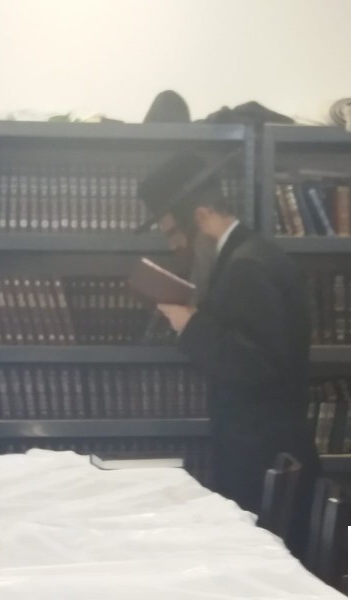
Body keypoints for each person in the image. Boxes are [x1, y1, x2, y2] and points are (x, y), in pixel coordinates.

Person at [136, 150, 320, 558]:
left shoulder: (246, 266)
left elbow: (258, 365)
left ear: (201, 215)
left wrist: (189, 323)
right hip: (262, 450)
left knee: (262, 571)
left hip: (262, 456)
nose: (175, 246)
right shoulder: (244, 256)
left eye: (174, 233)